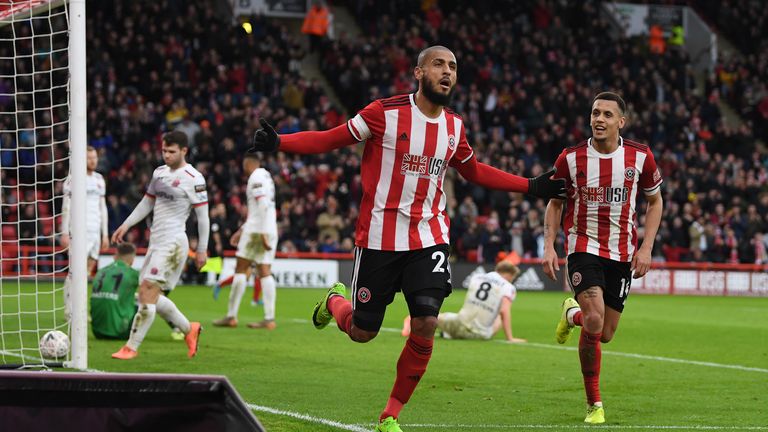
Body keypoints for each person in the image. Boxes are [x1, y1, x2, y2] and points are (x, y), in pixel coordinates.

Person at [249, 45, 566, 432]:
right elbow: (333, 139)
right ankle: (334, 302)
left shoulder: (454, 127)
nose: (447, 72)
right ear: (418, 72)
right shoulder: (384, 112)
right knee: (363, 331)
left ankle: (391, 414)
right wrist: (281, 142)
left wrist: (532, 186)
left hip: (429, 236)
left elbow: (475, 171)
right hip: (379, 238)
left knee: (426, 323)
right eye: (438, 64)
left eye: (452, 66)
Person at [542, 92, 663, 424]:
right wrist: (549, 245)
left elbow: (656, 202)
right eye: (595, 113)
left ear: (621, 122)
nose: (599, 119)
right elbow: (554, 203)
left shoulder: (640, 158)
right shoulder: (570, 159)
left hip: (622, 253)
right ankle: (594, 404)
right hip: (583, 247)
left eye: (607, 115)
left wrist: (647, 247)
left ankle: (571, 315)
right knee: (595, 320)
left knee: (605, 332)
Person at [110, 130, 208, 360]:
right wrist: (126, 225)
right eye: (164, 150)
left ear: (184, 150)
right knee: (147, 295)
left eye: (171, 152)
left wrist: (202, 249)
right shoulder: (159, 173)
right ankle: (189, 329)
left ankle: (131, 347)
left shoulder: (194, 178)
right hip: (157, 242)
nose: (166, 155)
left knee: (146, 293)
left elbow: (203, 218)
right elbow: (147, 203)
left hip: (173, 243)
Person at [213, 152, 278, 330]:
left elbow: (262, 204)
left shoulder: (255, 177)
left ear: (248, 163)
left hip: (258, 230)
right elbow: (262, 208)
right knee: (264, 270)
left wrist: (261, 232)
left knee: (241, 269)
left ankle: (231, 316)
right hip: (268, 227)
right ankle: (269, 318)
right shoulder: (267, 176)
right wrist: (241, 230)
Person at [401, 261, 527, 342]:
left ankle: (411, 322)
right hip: (480, 334)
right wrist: (510, 338)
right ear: (510, 275)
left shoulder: (477, 277)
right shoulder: (508, 287)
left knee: (434, 318)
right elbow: (504, 311)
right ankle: (448, 334)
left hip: (459, 322)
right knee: (499, 316)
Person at [60, 146, 108, 318]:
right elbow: (66, 206)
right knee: (74, 271)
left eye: (94, 157)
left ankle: (80, 308)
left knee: (87, 272)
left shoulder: (100, 179)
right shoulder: (73, 179)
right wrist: (64, 232)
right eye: (89, 158)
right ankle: (69, 309)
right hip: (78, 232)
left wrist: (105, 234)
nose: (93, 161)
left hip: (95, 231)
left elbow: (102, 208)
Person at [90, 242, 139, 339]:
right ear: (132, 259)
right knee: (149, 299)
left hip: (97, 332)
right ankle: (176, 327)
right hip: (120, 334)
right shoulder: (133, 274)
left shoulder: (101, 271)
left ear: (115, 256)